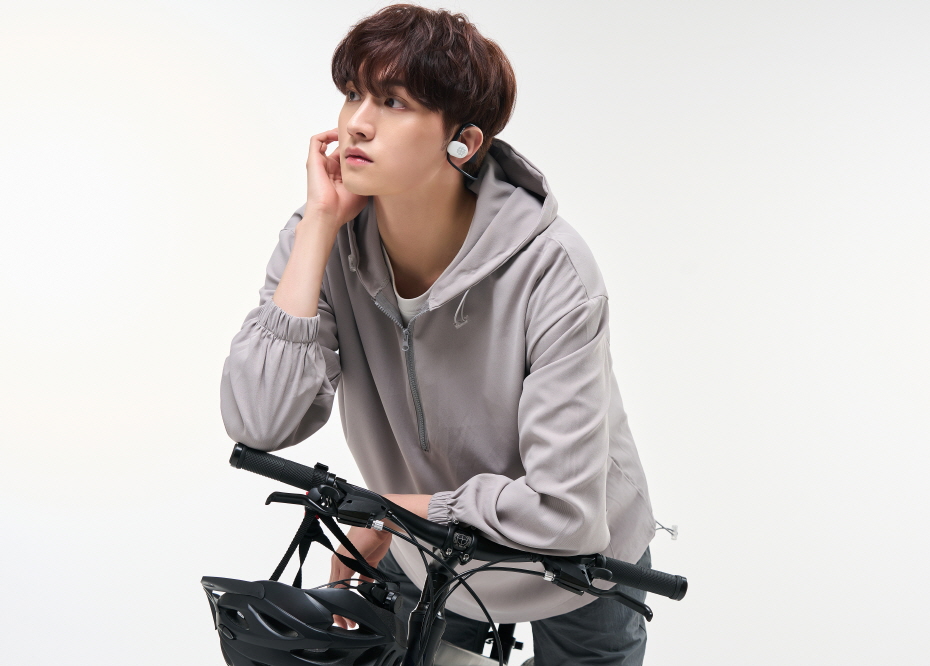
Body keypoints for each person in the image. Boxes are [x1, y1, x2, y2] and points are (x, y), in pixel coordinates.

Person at [220, 4, 657, 664]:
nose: (357, 121)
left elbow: (565, 514)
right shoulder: (323, 240)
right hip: (428, 549)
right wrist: (317, 226)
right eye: (353, 94)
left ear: (464, 141)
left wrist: (393, 513)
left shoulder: (553, 268)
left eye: (394, 101)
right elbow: (258, 421)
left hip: (581, 568)